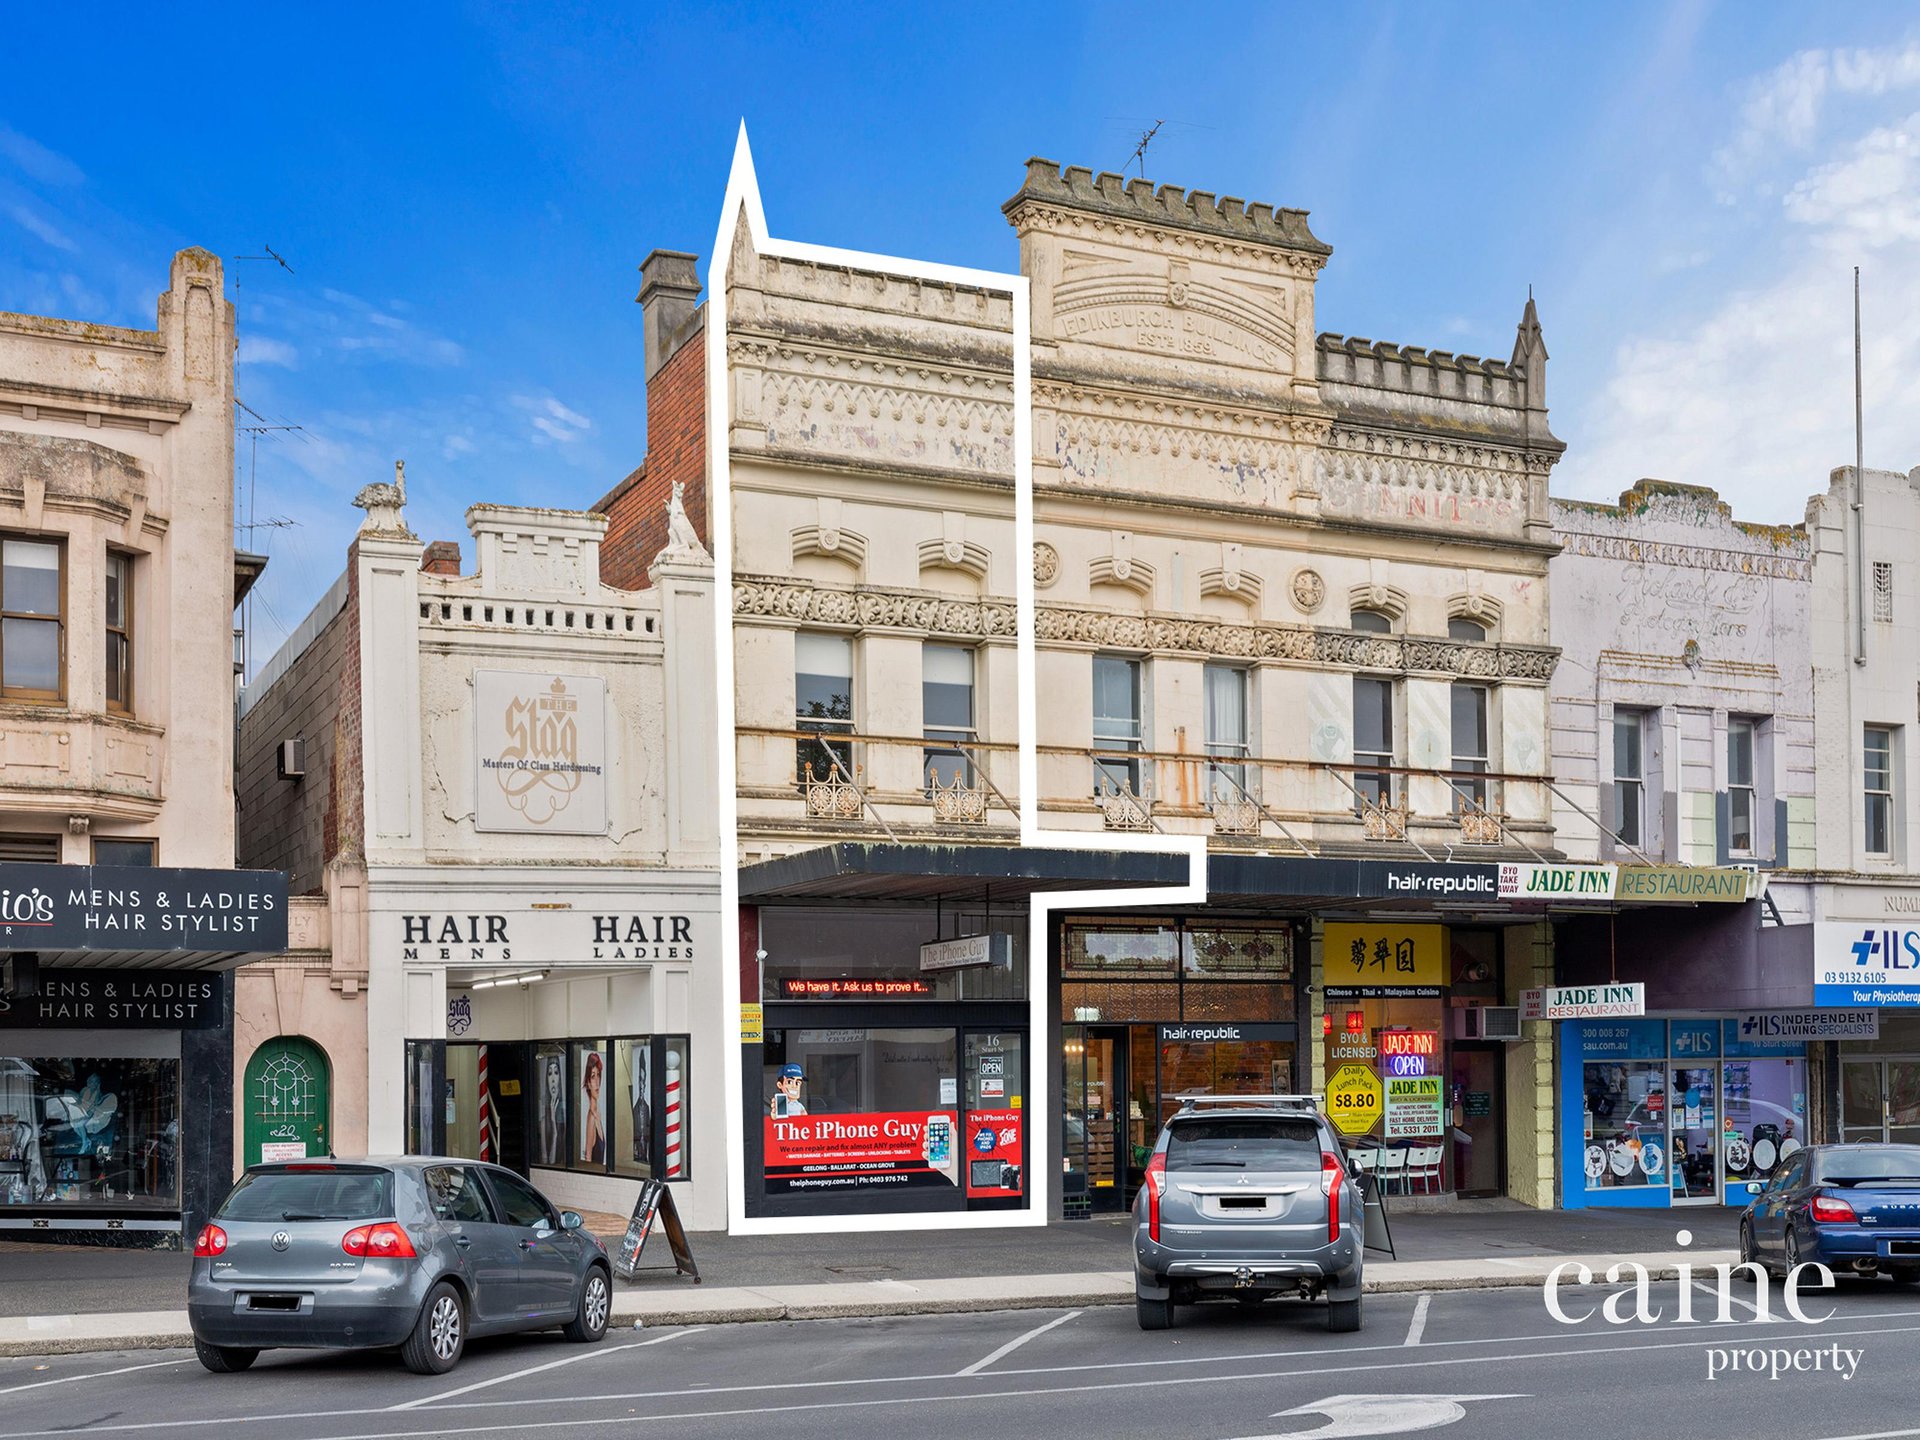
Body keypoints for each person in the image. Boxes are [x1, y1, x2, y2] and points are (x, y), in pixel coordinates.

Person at [537, 1055, 566, 1167]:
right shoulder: (544, 1114)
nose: (553, 1079)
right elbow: (548, 1160)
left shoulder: (564, 1110)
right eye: (549, 1074)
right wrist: (554, 1131)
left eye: (556, 1072)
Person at [580, 1052, 607, 1164]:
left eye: (598, 1075)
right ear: (588, 1083)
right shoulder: (591, 1116)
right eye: (592, 1076)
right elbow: (588, 1157)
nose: (596, 1082)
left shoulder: (597, 1114)